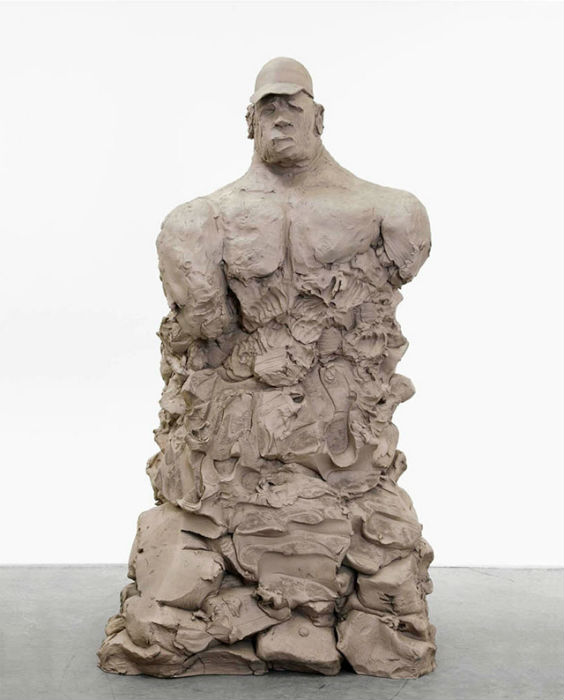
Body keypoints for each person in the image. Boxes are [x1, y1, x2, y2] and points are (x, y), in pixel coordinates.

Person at [98, 57, 436, 679]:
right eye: (268, 107)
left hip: (342, 450)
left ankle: (326, 611)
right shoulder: (200, 221)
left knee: (374, 543)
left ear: (319, 116)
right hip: (234, 449)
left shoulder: (390, 213)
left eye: (293, 105)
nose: (280, 116)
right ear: (249, 122)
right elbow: (203, 330)